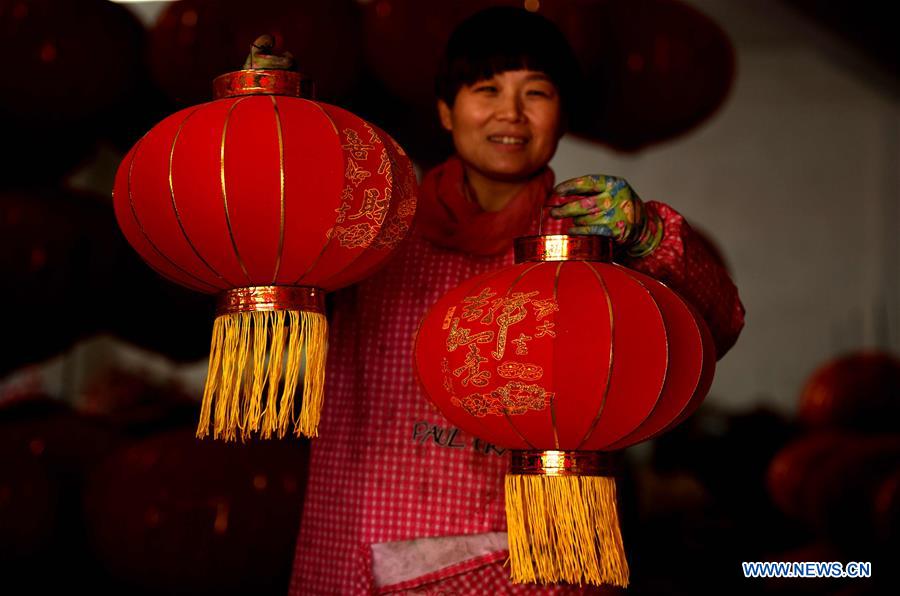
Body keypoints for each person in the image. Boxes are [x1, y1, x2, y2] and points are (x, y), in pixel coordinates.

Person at [289, 7, 744, 594]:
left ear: (561, 115)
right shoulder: (373, 227)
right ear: (446, 111)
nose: (511, 112)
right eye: (487, 90)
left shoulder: (600, 238)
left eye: (537, 92)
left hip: (534, 557)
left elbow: (719, 323)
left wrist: (653, 237)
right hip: (356, 539)